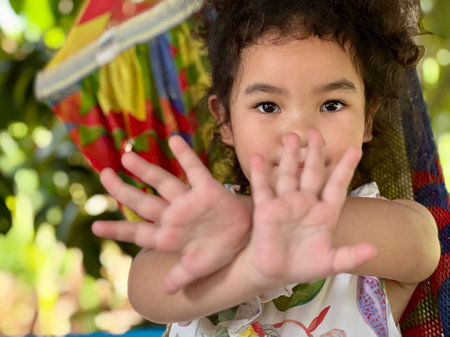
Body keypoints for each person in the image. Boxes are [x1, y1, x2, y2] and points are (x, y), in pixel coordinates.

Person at [92, 0, 441, 336]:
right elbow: (146, 291)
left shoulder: (376, 230)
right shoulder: (210, 226)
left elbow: (423, 245)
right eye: (268, 106)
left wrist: (280, 226)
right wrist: (246, 270)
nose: (300, 134)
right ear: (225, 120)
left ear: (367, 119)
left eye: (332, 104)